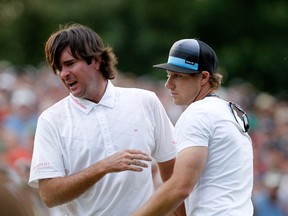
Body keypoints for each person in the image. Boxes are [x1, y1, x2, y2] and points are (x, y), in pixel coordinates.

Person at [28, 23, 178, 216]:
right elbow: (49, 195)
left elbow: (172, 172)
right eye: (59, 68)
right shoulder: (51, 120)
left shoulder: (145, 101)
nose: (63, 74)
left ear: (96, 60)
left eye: (70, 63)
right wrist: (103, 167)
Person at [132, 39, 254, 215]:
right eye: (168, 75)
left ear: (203, 77)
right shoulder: (226, 111)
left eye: (178, 76)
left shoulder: (198, 113)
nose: (168, 84)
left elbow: (180, 187)